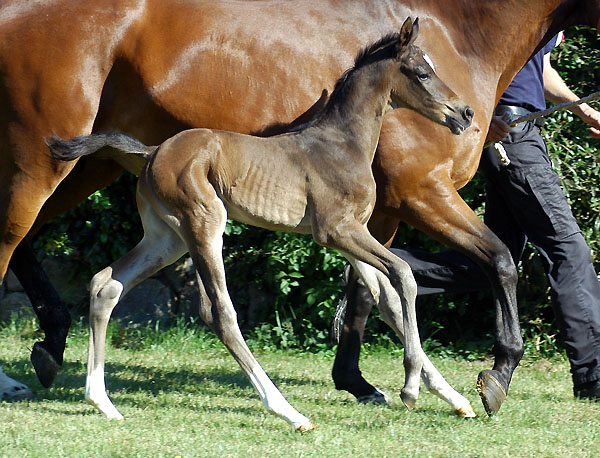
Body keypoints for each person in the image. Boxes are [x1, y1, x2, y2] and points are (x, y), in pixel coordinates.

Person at [387, 33, 600, 400]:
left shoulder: (545, 18)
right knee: (567, 247)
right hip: (509, 136)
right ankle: (593, 375)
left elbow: (539, 69)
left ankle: (381, 270)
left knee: (488, 261)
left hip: (522, 131)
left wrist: (581, 109)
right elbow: (455, 50)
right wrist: (482, 116)